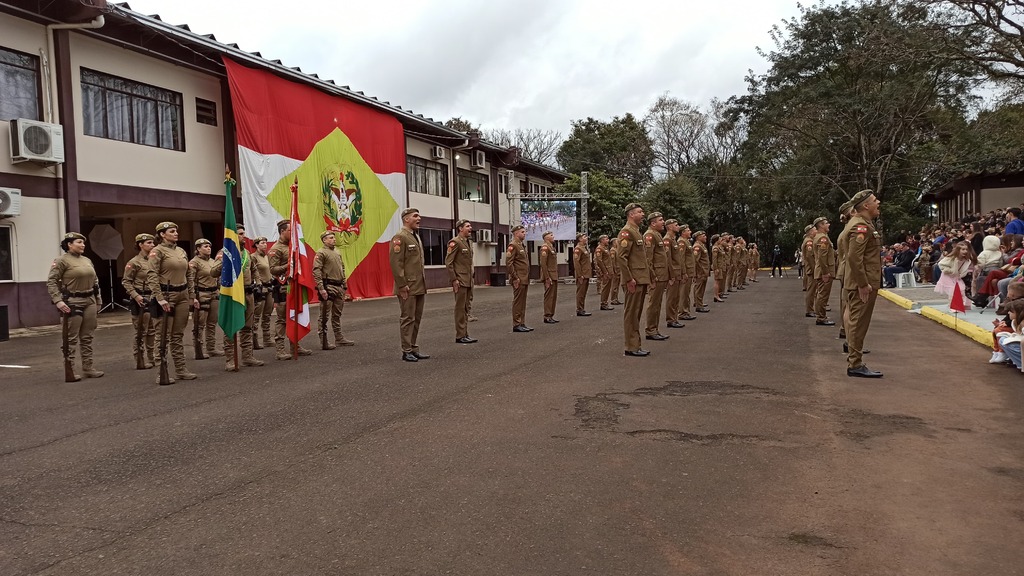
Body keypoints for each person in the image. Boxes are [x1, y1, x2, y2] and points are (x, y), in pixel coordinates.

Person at [47, 232, 103, 380]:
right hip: (72, 301)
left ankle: (88, 367)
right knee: (71, 338)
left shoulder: (87, 260)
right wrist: (58, 301)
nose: (83, 245)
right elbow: (51, 282)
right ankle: (70, 369)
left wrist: (98, 299)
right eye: (79, 242)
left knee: (87, 336)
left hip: (89, 299)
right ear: (69, 244)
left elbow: (95, 281)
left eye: (83, 242)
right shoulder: (61, 261)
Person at [148, 221, 197, 383]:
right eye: (172, 231)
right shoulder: (157, 251)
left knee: (178, 334)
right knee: (162, 336)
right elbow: (152, 275)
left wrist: (192, 295)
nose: (176, 233)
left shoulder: (181, 251)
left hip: (182, 294)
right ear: (162, 234)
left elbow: (189, 274)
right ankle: (160, 371)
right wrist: (159, 298)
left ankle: (181, 369)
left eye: (176, 231)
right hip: (166, 295)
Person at [843, 190, 883, 378]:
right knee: (858, 323)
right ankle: (855, 364)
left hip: (862, 280)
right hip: (863, 283)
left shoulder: (863, 224)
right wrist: (863, 284)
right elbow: (854, 257)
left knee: (856, 322)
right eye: (875, 201)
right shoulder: (860, 226)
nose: (878, 203)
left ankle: (855, 360)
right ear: (866, 206)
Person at [268, 219, 313, 360]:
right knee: (282, 319)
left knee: (296, 315)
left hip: (294, 287)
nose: (293, 233)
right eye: (290, 231)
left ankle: (295, 346)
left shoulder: (293, 246)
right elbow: (273, 269)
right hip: (282, 288)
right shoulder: (276, 249)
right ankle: (280, 350)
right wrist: (289, 266)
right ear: (282, 232)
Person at [390, 208, 429, 362]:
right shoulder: (400, 237)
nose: (419, 218)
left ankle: (413, 347)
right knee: (408, 318)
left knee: (416, 318)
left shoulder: (415, 237)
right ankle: (406, 351)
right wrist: (401, 285)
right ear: (406, 219)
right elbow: (396, 263)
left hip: (419, 285)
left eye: (419, 215)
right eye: (415, 216)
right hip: (407, 286)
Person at [223, 225, 264, 371]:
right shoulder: (225, 253)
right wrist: (224, 263)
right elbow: (213, 272)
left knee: (247, 326)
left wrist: (258, 283)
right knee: (232, 327)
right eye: (240, 234)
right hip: (233, 295)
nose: (243, 236)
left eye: (243, 233)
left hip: (248, 293)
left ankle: (247, 356)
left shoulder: (247, 253)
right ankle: (230, 359)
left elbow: (254, 270)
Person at [618, 203, 651, 357]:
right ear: (631, 214)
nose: (643, 214)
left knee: (636, 313)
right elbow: (621, 258)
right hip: (634, 280)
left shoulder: (636, 232)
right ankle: (631, 346)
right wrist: (629, 279)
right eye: (640, 212)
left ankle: (635, 345)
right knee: (631, 313)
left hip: (640, 278)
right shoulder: (626, 232)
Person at [313, 230, 354, 350]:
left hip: (339, 286)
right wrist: (321, 288)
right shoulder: (320, 253)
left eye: (333, 237)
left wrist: (344, 284)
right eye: (330, 238)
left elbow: (342, 268)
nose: (334, 239)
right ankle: (324, 340)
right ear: (324, 240)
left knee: (337, 314)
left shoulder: (337, 252)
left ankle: (339, 338)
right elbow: (316, 271)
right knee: (324, 315)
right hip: (328, 286)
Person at [122, 233, 157, 369]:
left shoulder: (155, 260)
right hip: (141, 298)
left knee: (152, 330)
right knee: (141, 331)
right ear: (140, 245)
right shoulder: (134, 262)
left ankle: (151, 357)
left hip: (153, 297)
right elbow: (126, 281)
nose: (152, 245)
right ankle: (139, 358)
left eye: (153, 243)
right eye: (149, 243)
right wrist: (135, 296)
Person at [187, 238, 223, 357]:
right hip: (201, 294)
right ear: (198, 249)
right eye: (205, 246)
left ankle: (211, 348)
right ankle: (198, 350)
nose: (208, 248)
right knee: (199, 324)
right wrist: (192, 297)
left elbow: (217, 277)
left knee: (212, 322)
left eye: (209, 246)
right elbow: (190, 280)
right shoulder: (194, 262)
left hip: (214, 293)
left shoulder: (213, 261)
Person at [446, 219, 477, 343]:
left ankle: (465, 333)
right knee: (460, 308)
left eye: (470, 226)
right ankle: (460, 335)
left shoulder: (468, 242)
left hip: (468, 280)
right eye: (468, 226)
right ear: (460, 228)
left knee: (466, 307)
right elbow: (449, 263)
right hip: (460, 280)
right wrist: (454, 279)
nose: (470, 228)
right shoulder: (455, 242)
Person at [643, 212, 671, 340]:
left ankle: (655, 328)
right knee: (653, 303)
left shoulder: (657, 235)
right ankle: (650, 330)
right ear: (653, 223)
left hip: (661, 275)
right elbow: (648, 259)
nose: (663, 222)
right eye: (660, 220)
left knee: (657, 303)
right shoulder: (649, 235)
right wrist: (652, 277)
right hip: (656, 276)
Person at [505, 224, 532, 332]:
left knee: (523, 302)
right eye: (522, 232)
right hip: (518, 278)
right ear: (516, 233)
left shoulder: (521, 245)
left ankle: (522, 322)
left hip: (524, 278)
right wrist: (515, 277)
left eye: (524, 232)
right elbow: (509, 263)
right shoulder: (513, 245)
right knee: (518, 301)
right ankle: (516, 324)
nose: (524, 234)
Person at [934, 241, 976, 309]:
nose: (965, 251)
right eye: (963, 249)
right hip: (947, 276)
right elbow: (941, 264)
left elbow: (964, 269)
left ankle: (961, 304)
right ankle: (952, 306)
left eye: (966, 249)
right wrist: (949, 270)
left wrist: (961, 274)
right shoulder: (952, 257)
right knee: (953, 290)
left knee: (962, 288)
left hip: (957, 276)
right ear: (958, 250)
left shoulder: (967, 260)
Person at [812, 217, 836, 326]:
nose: (829, 224)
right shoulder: (823, 239)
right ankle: (821, 317)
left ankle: (821, 316)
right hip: (824, 271)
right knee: (822, 295)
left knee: (821, 295)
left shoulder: (821, 237)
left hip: (821, 270)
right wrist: (826, 272)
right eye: (826, 223)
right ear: (821, 225)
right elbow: (822, 257)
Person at [251, 236, 274, 350]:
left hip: (269, 287)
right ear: (256, 245)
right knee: (256, 315)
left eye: (266, 242)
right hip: (260, 288)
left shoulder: (268, 257)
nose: (265, 245)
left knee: (267, 314)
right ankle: (254, 339)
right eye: (262, 243)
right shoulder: (253, 257)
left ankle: (267, 339)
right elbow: (252, 272)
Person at [663, 220, 683, 327]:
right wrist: (671, 275)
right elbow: (668, 259)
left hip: (677, 272)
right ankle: (670, 319)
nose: (678, 227)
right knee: (671, 297)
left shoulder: (673, 239)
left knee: (676, 297)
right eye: (676, 225)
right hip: (673, 273)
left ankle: (674, 318)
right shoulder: (667, 239)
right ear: (670, 227)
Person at [539, 231, 559, 324]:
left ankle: (551, 315)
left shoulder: (551, 247)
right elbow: (543, 263)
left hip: (553, 275)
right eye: (551, 235)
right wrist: (547, 277)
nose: (553, 236)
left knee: (553, 297)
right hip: (549, 276)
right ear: (546, 238)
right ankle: (547, 316)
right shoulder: (545, 247)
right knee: (549, 296)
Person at [678, 225, 697, 320]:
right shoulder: (681, 242)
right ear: (683, 232)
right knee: (683, 293)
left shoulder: (687, 241)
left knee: (686, 292)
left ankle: (686, 311)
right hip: (686, 271)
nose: (690, 232)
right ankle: (682, 312)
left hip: (689, 270)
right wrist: (683, 272)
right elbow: (681, 258)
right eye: (688, 230)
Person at [572, 232, 593, 316]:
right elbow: (576, 263)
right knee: (580, 293)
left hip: (586, 273)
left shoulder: (584, 248)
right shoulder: (578, 249)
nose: (586, 238)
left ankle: (582, 308)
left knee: (583, 293)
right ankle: (579, 309)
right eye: (584, 237)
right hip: (582, 274)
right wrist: (579, 275)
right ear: (580, 239)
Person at [692, 231, 711, 313]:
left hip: (704, 271)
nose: (705, 237)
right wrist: (697, 272)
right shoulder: (697, 246)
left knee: (701, 288)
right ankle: (698, 305)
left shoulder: (701, 245)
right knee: (699, 288)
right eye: (703, 236)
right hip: (701, 271)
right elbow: (695, 260)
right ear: (698, 237)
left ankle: (699, 302)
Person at [594, 234, 614, 310]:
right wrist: (604, 272)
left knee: (608, 288)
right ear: (602, 240)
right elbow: (599, 261)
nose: (608, 240)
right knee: (605, 287)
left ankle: (605, 302)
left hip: (609, 270)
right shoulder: (599, 249)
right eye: (606, 239)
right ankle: (603, 304)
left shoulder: (605, 248)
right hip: (606, 271)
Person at [802, 225, 817, 316]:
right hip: (812, 270)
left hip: (811, 269)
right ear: (811, 232)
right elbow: (810, 257)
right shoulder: (809, 242)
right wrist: (815, 269)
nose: (816, 231)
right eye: (815, 230)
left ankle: (811, 309)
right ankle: (809, 310)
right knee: (811, 290)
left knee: (812, 290)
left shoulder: (809, 241)